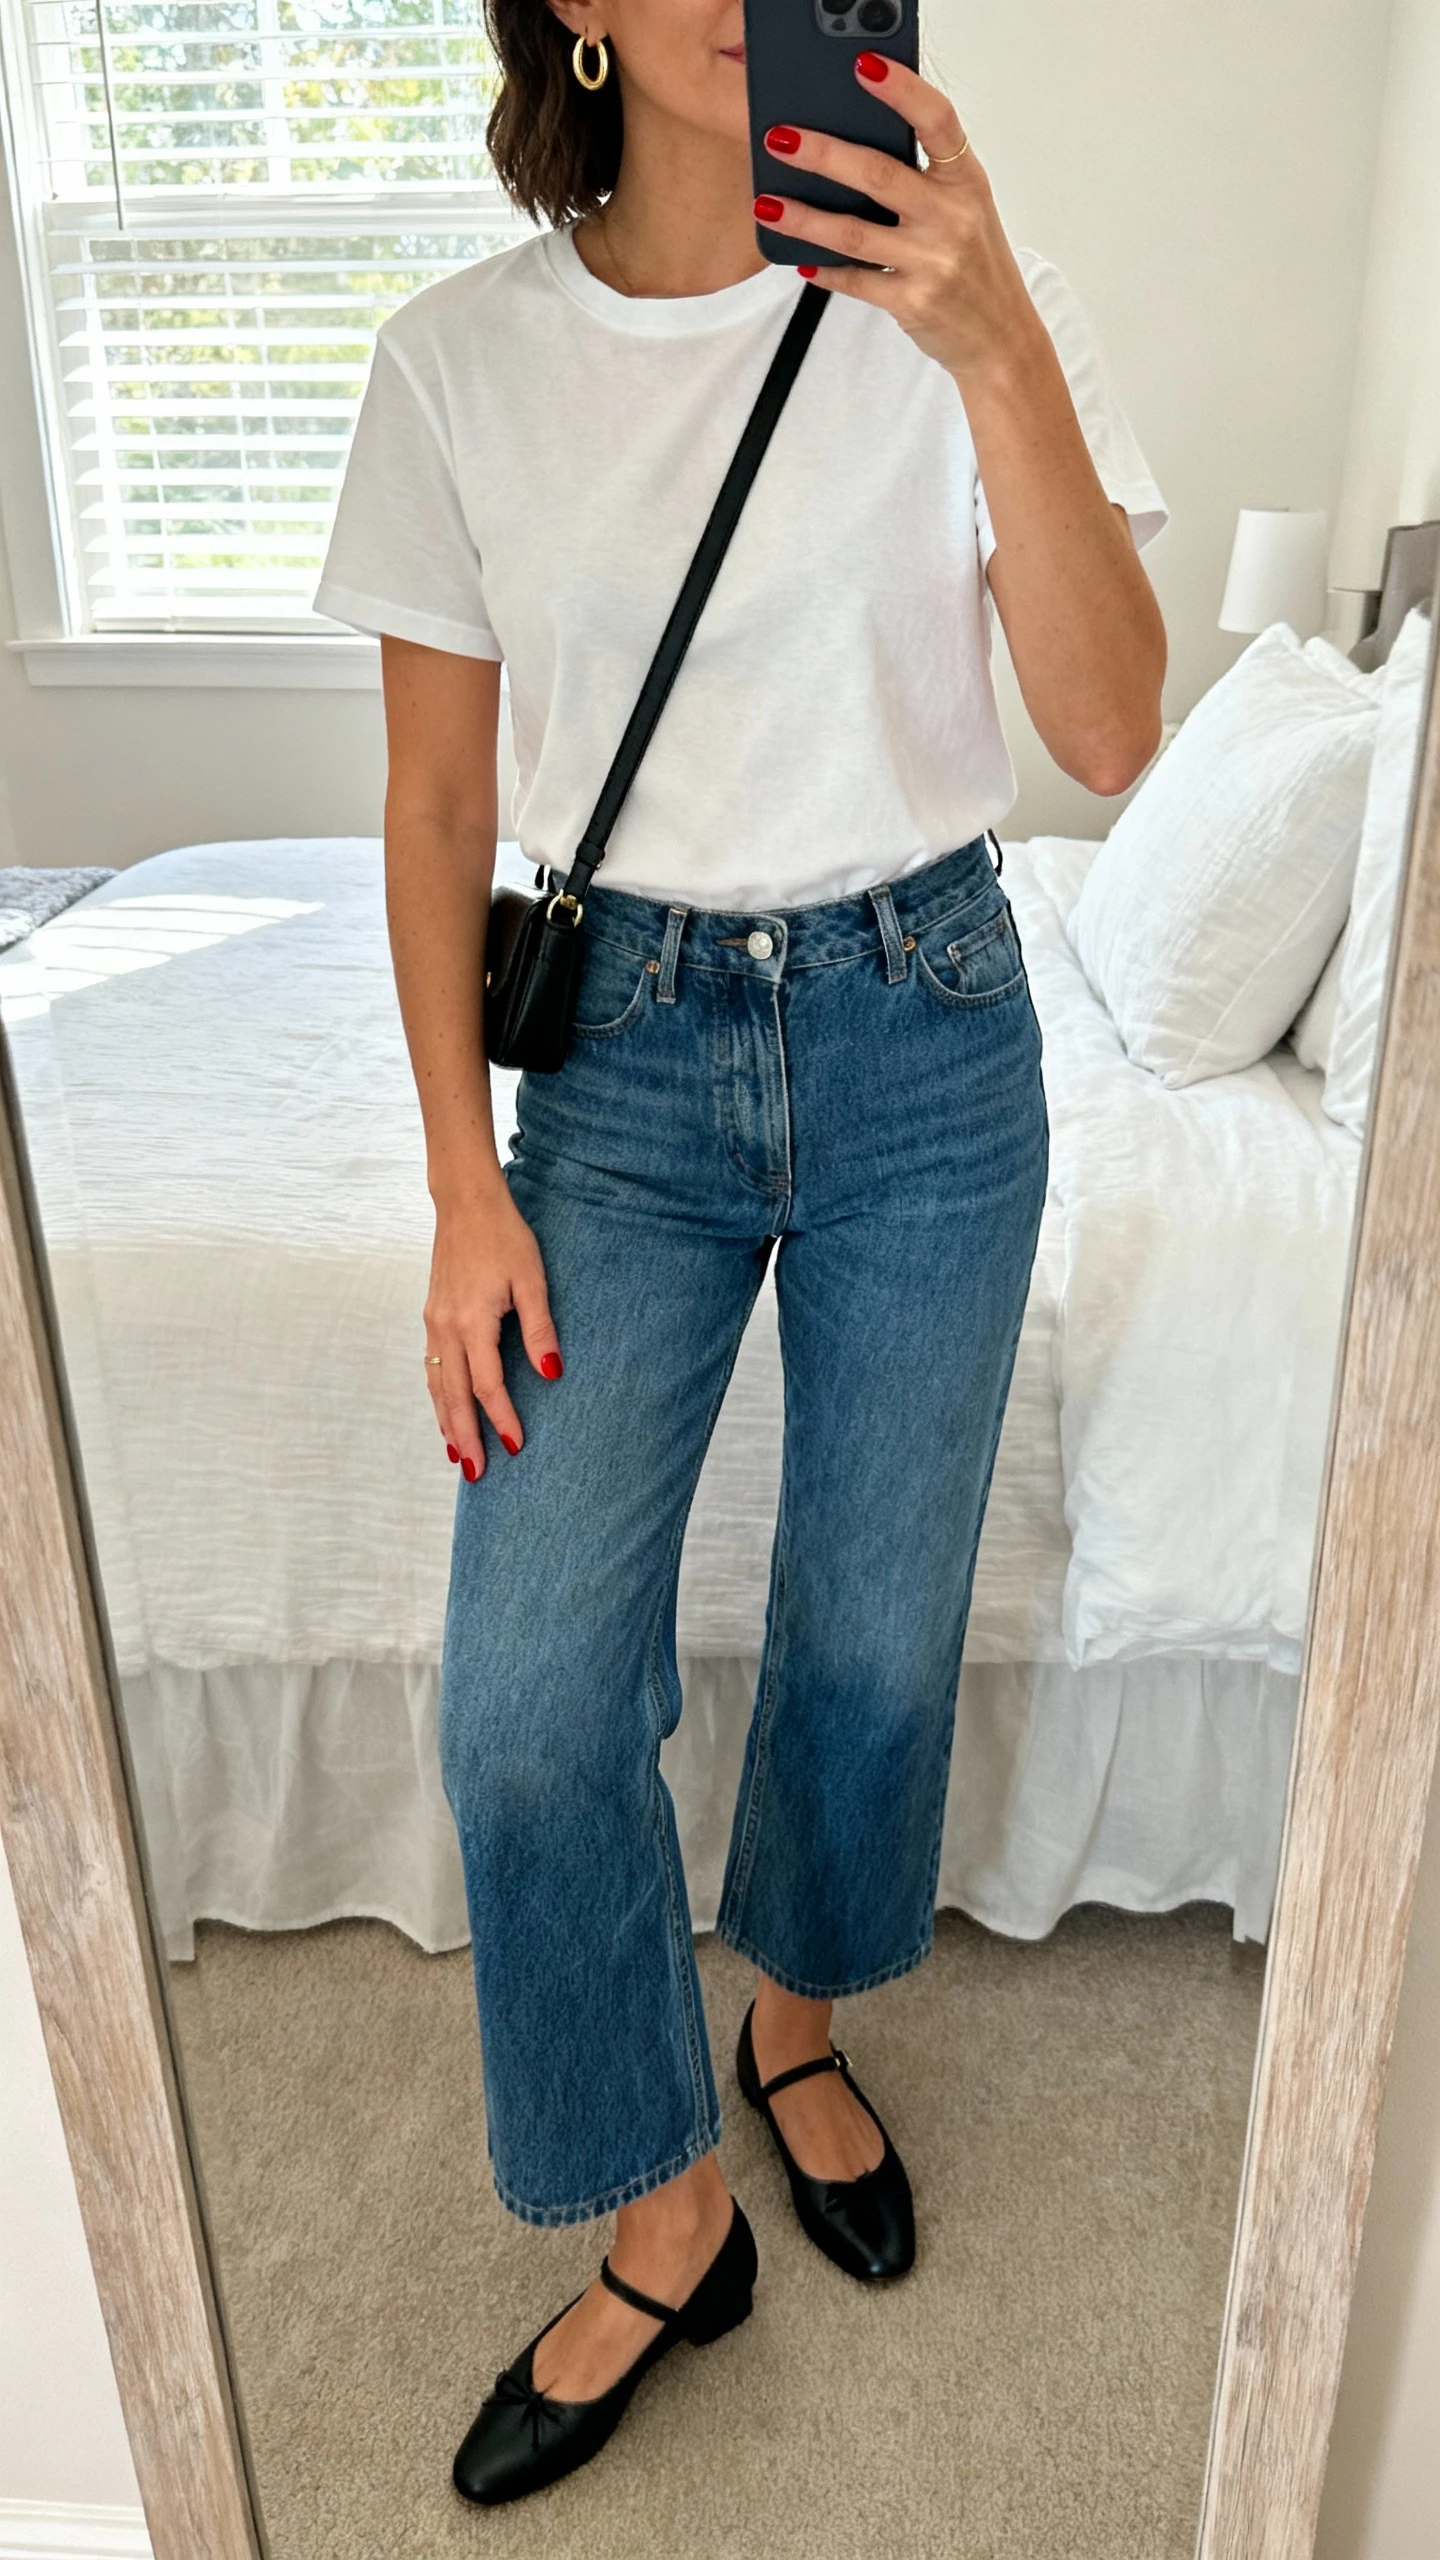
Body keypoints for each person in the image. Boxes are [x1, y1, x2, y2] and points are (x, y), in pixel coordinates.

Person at [316, 0, 1167, 2507]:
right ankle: (666, 2202)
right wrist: (460, 1178)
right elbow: (435, 792)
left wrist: (989, 333)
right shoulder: (459, 364)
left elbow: (1112, 735)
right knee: (529, 1697)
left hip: (932, 1020)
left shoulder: (960, 288)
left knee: (882, 1629)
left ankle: (793, 2013)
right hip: (628, 1078)